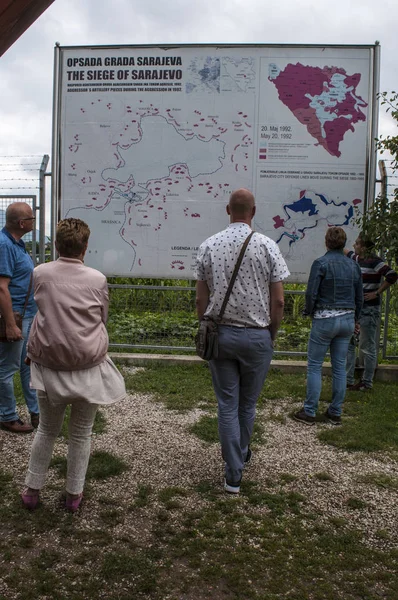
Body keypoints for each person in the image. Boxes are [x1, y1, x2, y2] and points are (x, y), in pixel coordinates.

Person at [22, 218, 126, 512]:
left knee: (46, 430)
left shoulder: (40, 273)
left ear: (56, 244)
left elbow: (38, 308)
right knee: (81, 432)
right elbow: (102, 317)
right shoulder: (97, 279)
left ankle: (32, 490)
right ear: (86, 246)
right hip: (87, 365)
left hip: (48, 365)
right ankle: (73, 495)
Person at [195, 188, 289, 494]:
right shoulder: (267, 246)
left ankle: (233, 473)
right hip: (258, 335)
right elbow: (278, 302)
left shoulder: (208, 245)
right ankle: (240, 456)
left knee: (226, 405)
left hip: (221, 336)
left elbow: (200, 299)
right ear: (254, 211)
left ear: (227, 210)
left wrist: (205, 327)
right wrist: (271, 334)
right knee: (247, 405)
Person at [294, 227, 363, 426]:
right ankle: (335, 411)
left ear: (326, 242)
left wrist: (309, 311)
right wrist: (355, 318)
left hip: (325, 318)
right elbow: (359, 297)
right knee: (340, 367)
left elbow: (311, 293)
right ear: (344, 243)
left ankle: (309, 411)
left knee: (315, 365)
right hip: (347, 319)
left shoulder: (321, 263)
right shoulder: (354, 266)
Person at [0, 202, 39, 434]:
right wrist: (11, 324)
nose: (34, 222)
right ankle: (7, 415)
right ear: (22, 223)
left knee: (27, 366)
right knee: (7, 368)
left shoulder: (17, 243)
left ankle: (36, 411)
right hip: (15, 317)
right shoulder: (4, 245)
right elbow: (2, 288)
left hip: (25, 315)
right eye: (31, 219)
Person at [345, 233, 397, 391]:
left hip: (369, 308)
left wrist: (377, 292)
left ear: (365, 247)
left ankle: (367, 382)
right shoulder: (357, 259)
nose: (355, 245)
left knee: (367, 346)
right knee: (349, 343)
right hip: (356, 308)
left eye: (358, 243)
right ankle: (347, 379)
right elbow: (346, 251)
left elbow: (392, 275)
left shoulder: (375, 261)